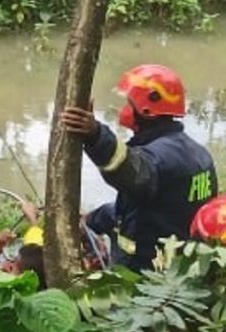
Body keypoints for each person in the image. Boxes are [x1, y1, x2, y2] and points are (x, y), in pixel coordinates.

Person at [61, 64, 218, 271]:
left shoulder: (158, 158)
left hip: (147, 275)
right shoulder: (198, 154)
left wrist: (96, 136)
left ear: (147, 110)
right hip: (184, 270)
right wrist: (91, 220)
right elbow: (149, 210)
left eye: (129, 103)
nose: (124, 109)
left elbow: (131, 171)